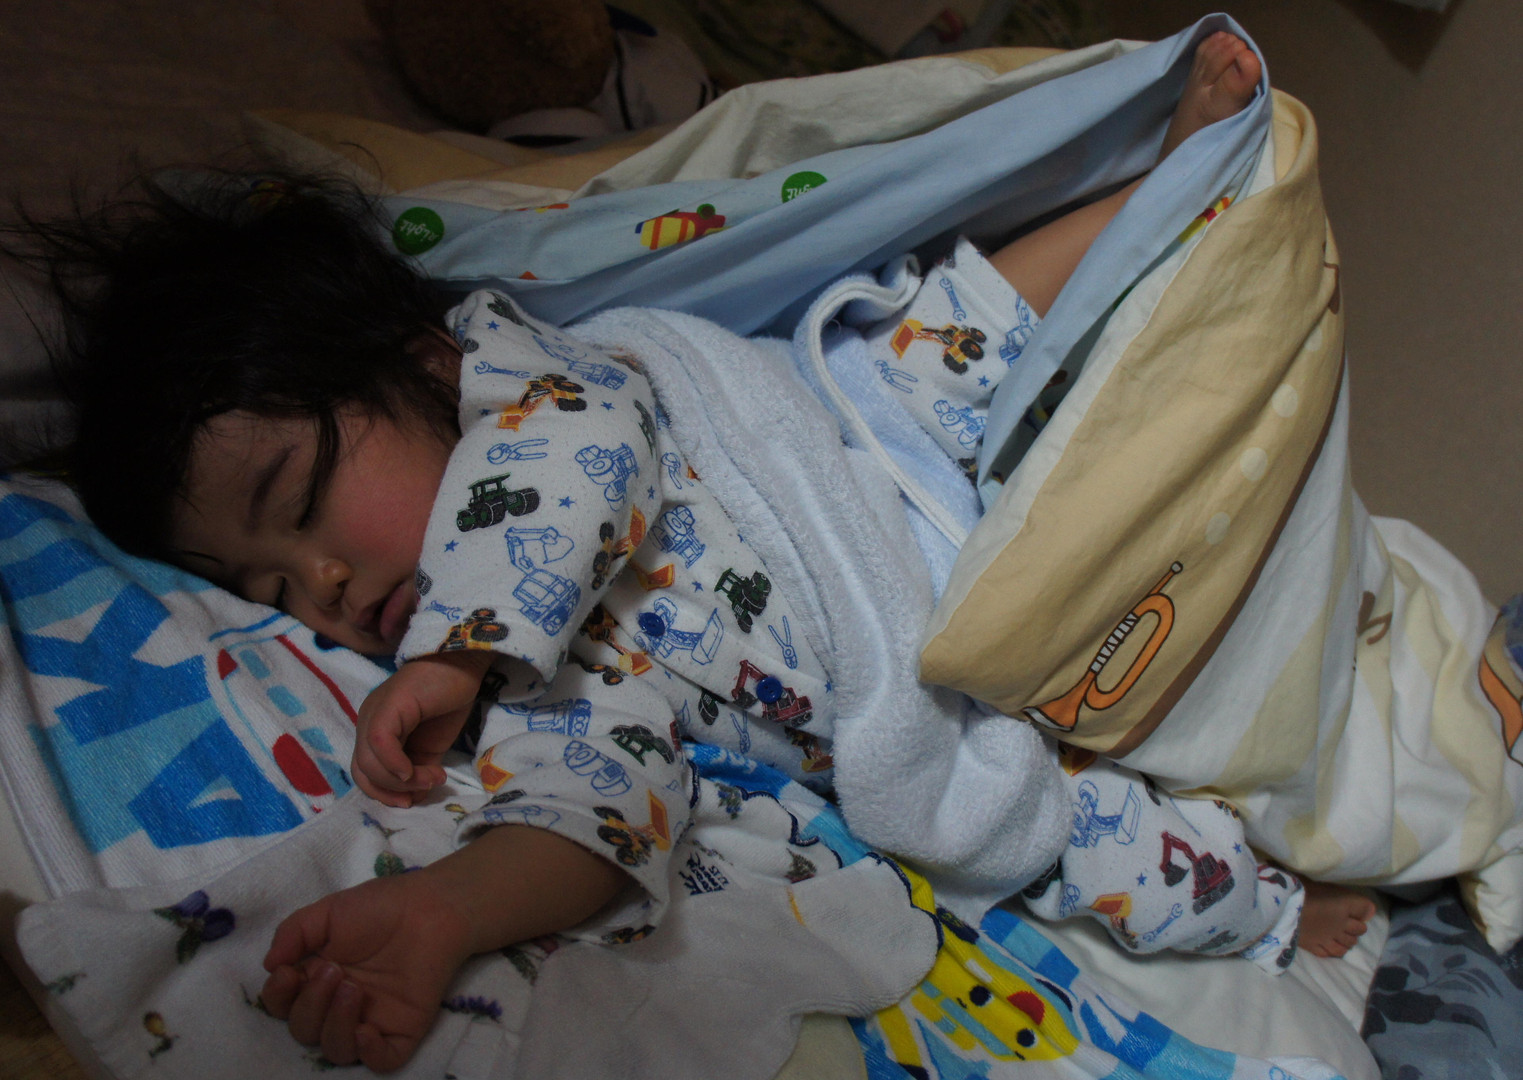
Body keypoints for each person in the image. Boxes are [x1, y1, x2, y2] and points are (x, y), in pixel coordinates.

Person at [10, 29, 1365, 1073]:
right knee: (1065, 843)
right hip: (920, 661)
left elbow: (579, 453)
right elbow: (598, 801)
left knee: (959, 322)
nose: (319, 588)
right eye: (264, 588)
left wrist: (468, 638)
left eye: (302, 497)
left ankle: (1172, 180)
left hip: (849, 436)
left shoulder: (519, 381)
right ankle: (1264, 906)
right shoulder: (524, 686)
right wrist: (450, 911)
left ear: (416, 362)